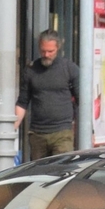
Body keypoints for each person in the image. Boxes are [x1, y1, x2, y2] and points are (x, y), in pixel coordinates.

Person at [17, 28, 79, 159]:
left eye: (51, 51)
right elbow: (22, 102)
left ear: (58, 48)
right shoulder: (31, 70)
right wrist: (12, 127)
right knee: (40, 174)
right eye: (43, 51)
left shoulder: (69, 68)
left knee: (61, 169)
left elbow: (82, 101)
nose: (46, 55)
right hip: (37, 134)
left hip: (62, 132)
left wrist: (88, 129)